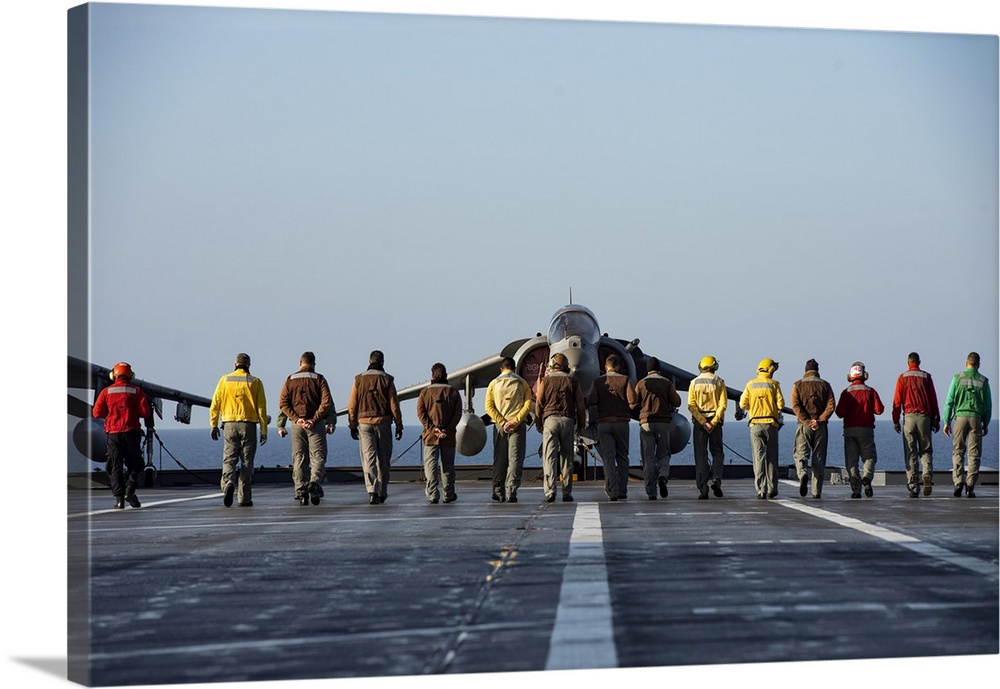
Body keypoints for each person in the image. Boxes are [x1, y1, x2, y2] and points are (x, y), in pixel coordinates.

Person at [209, 353, 268, 507]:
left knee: (229, 459)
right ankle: (244, 498)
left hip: (229, 424)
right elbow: (261, 408)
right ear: (249, 365)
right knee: (247, 462)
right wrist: (264, 430)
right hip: (248, 425)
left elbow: (215, 404)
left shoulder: (224, 380)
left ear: (235, 364)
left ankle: (228, 484)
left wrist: (214, 425)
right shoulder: (255, 382)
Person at [92, 362, 153, 509]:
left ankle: (119, 500)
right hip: (131, 433)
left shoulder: (106, 392)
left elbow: (96, 413)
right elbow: (145, 413)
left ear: (114, 375)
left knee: (115, 466)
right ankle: (130, 491)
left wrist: (111, 414)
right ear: (130, 375)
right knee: (136, 464)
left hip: (113, 435)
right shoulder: (137, 391)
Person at [278, 351, 334, 506]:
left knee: (299, 458)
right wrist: (315, 419)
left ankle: (301, 491)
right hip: (315, 425)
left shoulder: (290, 380)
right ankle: (314, 483)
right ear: (314, 364)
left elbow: (283, 404)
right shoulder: (320, 379)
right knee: (318, 456)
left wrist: (297, 419)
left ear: (300, 363)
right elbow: (326, 402)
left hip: (297, 425)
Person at [347, 350, 403, 505]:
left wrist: (352, 425)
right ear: (382, 362)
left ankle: (371, 491)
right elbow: (394, 405)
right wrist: (399, 425)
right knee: (384, 460)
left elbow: (352, 405)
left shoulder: (358, 380)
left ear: (368, 361)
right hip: (383, 423)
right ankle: (382, 491)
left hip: (364, 424)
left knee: (368, 459)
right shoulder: (387, 379)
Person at [534, 352, 586, 503]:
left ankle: (550, 491)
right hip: (568, 421)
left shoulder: (545, 381)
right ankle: (566, 492)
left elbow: (539, 404)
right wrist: (581, 425)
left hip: (550, 421)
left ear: (552, 366)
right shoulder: (573, 381)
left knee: (549, 457)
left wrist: (538, 423)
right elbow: (580, 406)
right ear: (566, 366)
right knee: (567, 458)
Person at [630, 357, 682, 500]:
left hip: (646, 422)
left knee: (648, 457)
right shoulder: (667, 383)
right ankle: (663, 476)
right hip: (663, 423)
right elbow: (677, 402)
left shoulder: (641, 384)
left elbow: (633, 404)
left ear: (648, 369)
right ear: (659, 369)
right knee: (664, 454)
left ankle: (651, 491)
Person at [943, 352, 992, 498]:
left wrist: (946, 421)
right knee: (974, 454)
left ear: (966, 363)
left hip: (960, 418)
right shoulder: (983, 381)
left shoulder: (957, 378)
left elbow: (949, 401)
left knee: (958, 451)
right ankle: (970, 486)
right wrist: (986, 422)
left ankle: (958, 482)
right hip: (975, 419)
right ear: (979, 364)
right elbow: (988, 405)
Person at [892, 352, 941, 498]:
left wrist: (895, 420)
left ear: (908, 363)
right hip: (924, 418)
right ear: (919, 362)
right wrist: (936, 419)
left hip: (909, 418)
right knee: (925, 450)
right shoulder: (926, 377)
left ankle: (913, 486)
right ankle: (926, 473)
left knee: (910, 452)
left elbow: (897, 401)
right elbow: (933, 399)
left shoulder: (902, 377)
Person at [484, 357, 533, 503]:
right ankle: (511, 491)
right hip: (517, 427)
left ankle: (498, 491)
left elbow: (489, 407)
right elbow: (528, 404)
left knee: (500, 459)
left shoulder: (493, 384)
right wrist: (515, 421)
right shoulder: (522, 383)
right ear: (514, 368)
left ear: (501, 368)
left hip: (500, 427)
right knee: (515, 459)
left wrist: (502, 422)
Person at [587, 353, 636, 501]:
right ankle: (622, 490)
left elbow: (591, 400)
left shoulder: (598, 382)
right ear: (618, 366)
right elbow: (633, 401)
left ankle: (612, 491)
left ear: (605, 367)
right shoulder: (625, 380)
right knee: (622, 457)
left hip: (604, 423)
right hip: (622, 423)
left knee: (608, 458)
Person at [835, 362, 884, 498]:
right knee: (869, 458)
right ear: (865, 375)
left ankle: (856, 490)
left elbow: (839, 413)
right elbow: (879, 410)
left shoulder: (846, 392)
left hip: (850, 431)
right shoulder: (871, 391)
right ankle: (867, 477)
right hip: (867, 430)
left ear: (850, 376)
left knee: (851, 462)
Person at [416, 363, 463, 504]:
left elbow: (420, 412)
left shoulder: (424, 393)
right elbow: (458, 414)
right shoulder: (454, 392)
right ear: (446, 375)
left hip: (430, 436)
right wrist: (447, 429)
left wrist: (432, 428)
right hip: (448, 436)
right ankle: (448, 494)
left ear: (432, 376)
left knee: (430, 465)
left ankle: (432, 494)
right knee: (448, 466)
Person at [739, 358, 784, 499]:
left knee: (758, 458)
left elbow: (742, 404)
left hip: (755, 425)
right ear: (769, 369)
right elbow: (781, 405)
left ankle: (761, 490)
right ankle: (772, 489)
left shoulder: (750, 384)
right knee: (772, 457)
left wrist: (754, 406)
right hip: (771, 424)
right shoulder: (774, 384)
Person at [791, 359, 836, 499]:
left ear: (805, 370)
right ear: (817, 370)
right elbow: (831, 406)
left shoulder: (797, 385)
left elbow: (795, 405)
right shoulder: (826, 385)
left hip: (804, 425)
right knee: (819, 459)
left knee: (800, 454)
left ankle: (803, 473)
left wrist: (807, 421)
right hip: (820, 427)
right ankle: (816, 492)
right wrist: (819, 420)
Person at [687, 355, 728, 499]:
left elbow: (691, 405)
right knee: (717, 452)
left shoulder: (693, 383)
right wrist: (713, 422)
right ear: (714, 366)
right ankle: (716, 480)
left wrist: (703, 422)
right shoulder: (719, 382)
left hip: (700, 423)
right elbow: (723, 405)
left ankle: (703, 489)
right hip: (715, 423)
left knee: (701, 455)